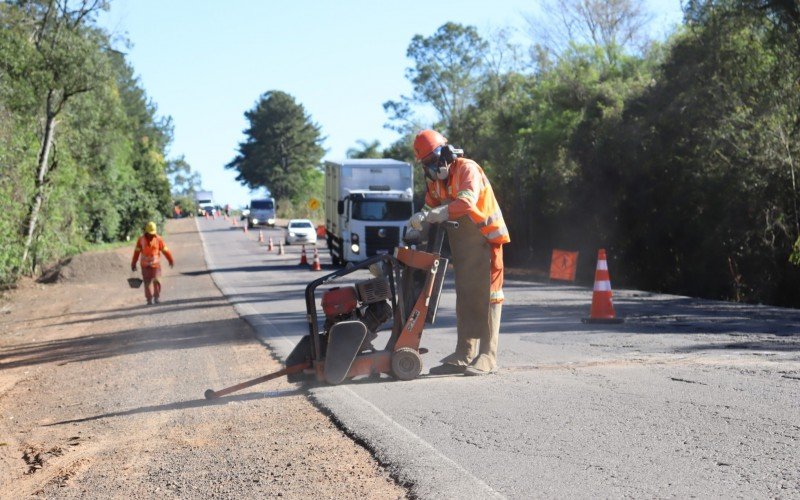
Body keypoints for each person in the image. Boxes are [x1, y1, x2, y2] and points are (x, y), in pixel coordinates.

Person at [409, 129, 510, 376]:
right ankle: (463, 354)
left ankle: (487, 355)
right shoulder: (436, 181)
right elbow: (429, 207)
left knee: (489, 296)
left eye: (433, 162)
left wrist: (438, 214)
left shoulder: (467, 169)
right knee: (465, 296)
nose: (432, 168)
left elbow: (467, 202)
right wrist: (417, 223)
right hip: (464, 245)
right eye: (427, 164)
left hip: (487, 240)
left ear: (445, 153)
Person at [131, 221, 174, 305]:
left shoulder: (159, 239)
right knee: (147, 283)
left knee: (156, 281)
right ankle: (149, 299)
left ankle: (156, 297)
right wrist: (133, 263)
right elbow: (136, 252)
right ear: (146, 232)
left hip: (156, 265)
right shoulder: (141, 240)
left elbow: (165, 250)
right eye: (150, 233)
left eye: (153, 233)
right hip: (145, 265)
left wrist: (170, 259)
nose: (151, 235)